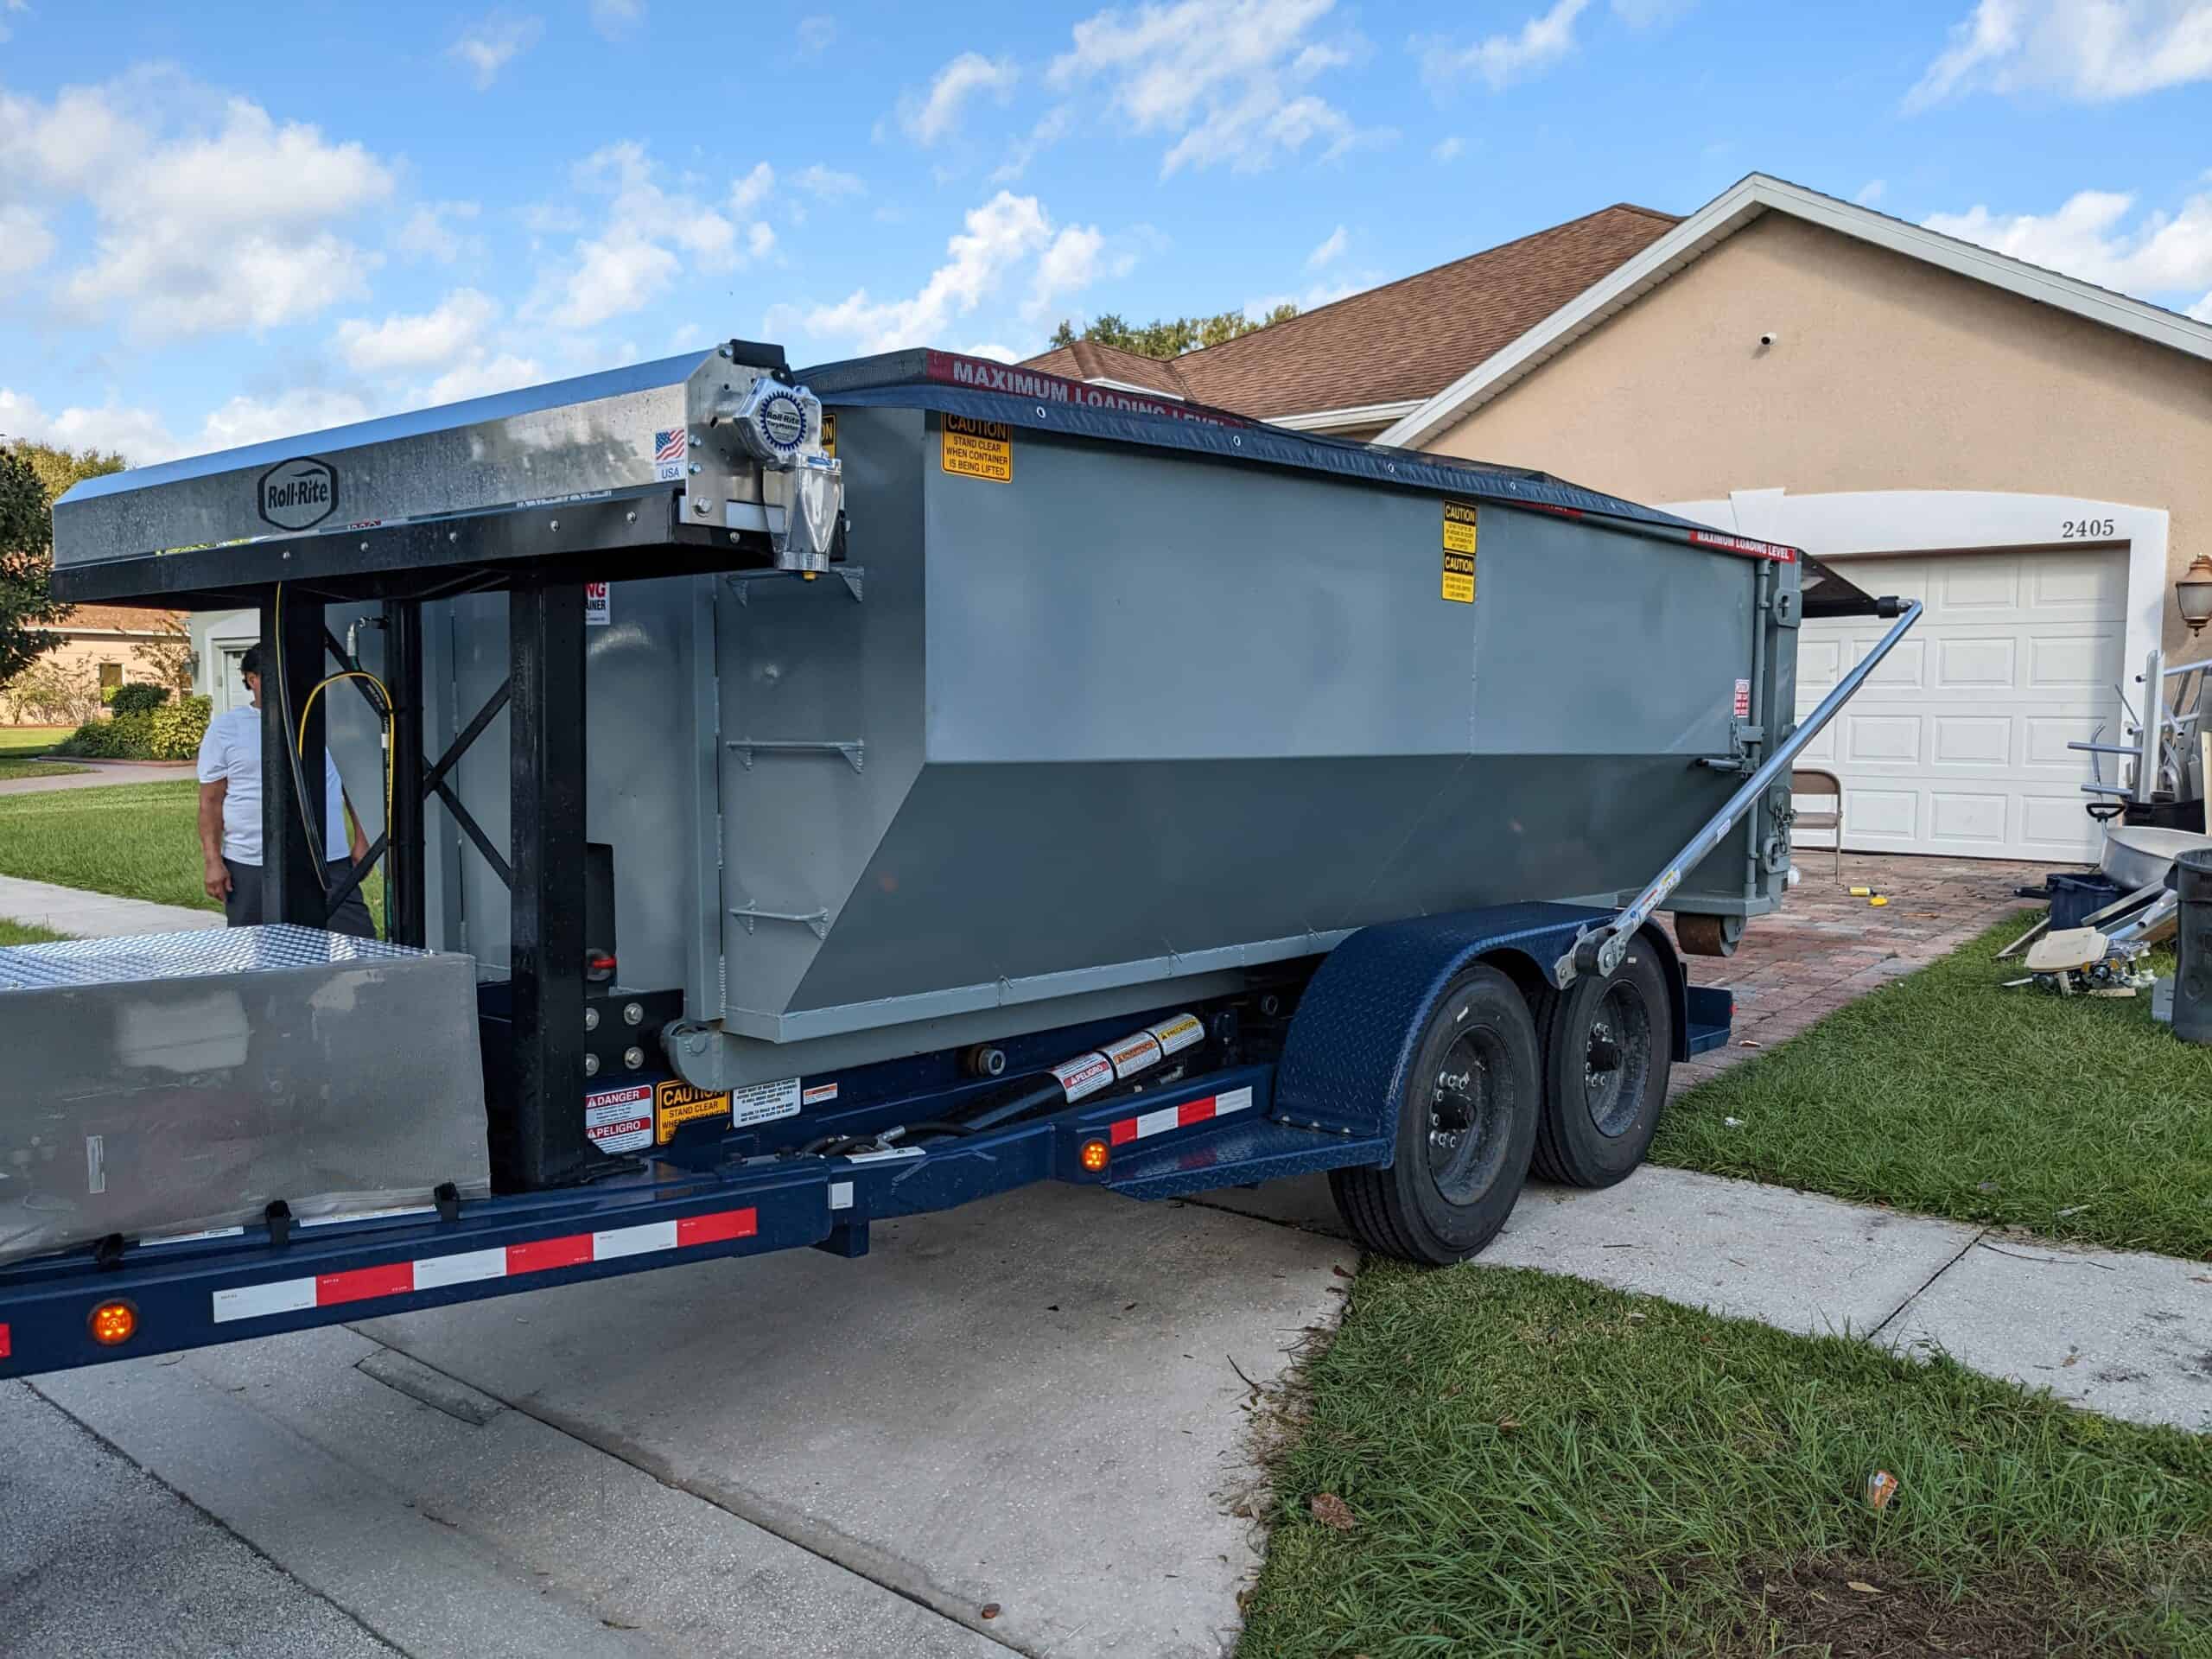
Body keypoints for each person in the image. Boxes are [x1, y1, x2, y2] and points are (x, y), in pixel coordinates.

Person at [197, 643, 378, 938]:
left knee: (361, 941)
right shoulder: (226, 729)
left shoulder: (328, 721)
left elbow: (353, 785)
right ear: (251, 679)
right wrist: (213, 861)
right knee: (256, 950)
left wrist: (363, 838)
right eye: (270, 676)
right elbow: (210, 801)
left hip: (327, 858)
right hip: (251, 861)